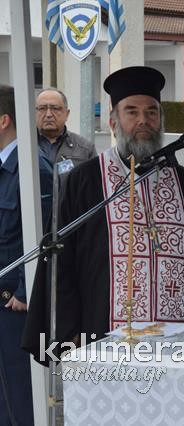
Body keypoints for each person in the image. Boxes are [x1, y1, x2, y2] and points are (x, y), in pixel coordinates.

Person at [23, 67, 184, 358]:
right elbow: (61, 262)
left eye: (152, 112)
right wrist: (68, 333)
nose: (143, 120)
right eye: (132, 112)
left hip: (179, 344)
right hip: (101, 337)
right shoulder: (86, 180)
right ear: (113, 122)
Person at [0, 85, 52, 425]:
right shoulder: (6, 165)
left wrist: (23, 290)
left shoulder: (33, 168)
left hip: (14, 306)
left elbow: (43, 235)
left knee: (18, 398)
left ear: (3, 120)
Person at [35, 88, 96, 167]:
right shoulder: (23, 146)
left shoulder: (85, 148)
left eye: (55, 108)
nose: (48, 114)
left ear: (66, 114)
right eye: (42, 108)